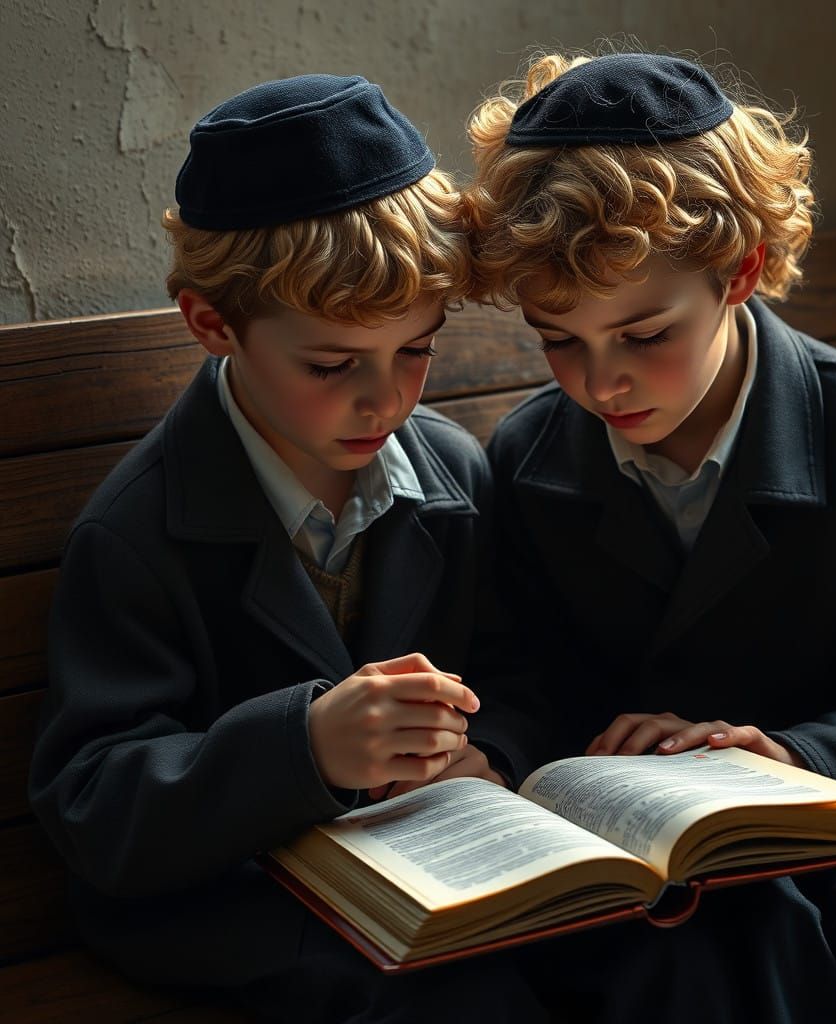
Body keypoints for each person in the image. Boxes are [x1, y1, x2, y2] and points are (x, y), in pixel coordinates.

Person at [464, 50, 836, 1022]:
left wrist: (791, 757)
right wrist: (502, 750)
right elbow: (521, 673)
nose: (602, 383)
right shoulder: (529, 455)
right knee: (690, 964)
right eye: (559, 339)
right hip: (652, 843)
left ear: (741, 273)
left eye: (643, 335)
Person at [26, 74, 534, 1023]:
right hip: (235, 903)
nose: (385, 401)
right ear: (212, 326)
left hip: (427, 868)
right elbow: (96, 801)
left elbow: (516, 667)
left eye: (415, 350)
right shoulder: (136, 531)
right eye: (334, 364)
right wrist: (303, 747)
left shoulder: (456, 476)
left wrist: (492, 752)